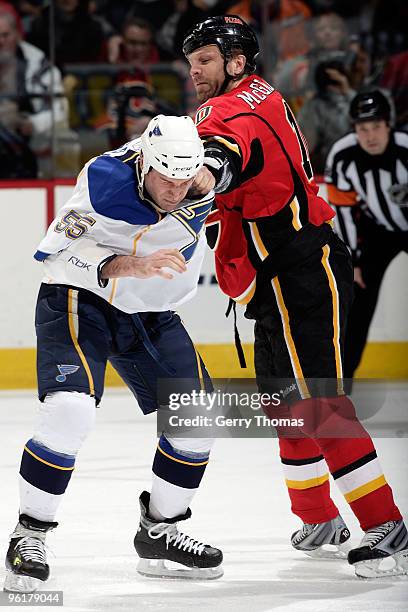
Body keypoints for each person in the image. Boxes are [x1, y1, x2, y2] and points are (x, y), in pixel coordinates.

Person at [182, 15, 408, 578]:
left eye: (205, 60)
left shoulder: (230, 110)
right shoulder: (258, 95)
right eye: (191, 65)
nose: (195, 74)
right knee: (286, 405)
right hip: (279, 275)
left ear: (237, 61)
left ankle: (388, 526)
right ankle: (319, 517)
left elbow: (224, 154)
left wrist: (201, 179)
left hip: (305, 267)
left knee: (319, 402)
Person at [4, 114, 223, 593]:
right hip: (80, 293)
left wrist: (210, 172)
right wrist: (129, 264)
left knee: (198, 416)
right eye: (166, 177)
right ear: (144, 161)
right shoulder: (103, 181)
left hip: (147, 306)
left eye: (184, 178)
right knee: (70, 412)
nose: (174, 189)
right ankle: (29, 534)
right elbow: (56, 253)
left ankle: (159, 531)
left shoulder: (201, 177)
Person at [325, 90, 408, 380]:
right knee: (356, 312)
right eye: (362, 128)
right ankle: (340, 394)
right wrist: (353, 260)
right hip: (377, 233)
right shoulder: (343, 155)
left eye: (376, 127)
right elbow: (343, 212)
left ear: (389, 124)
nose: (370, 135)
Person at [0, 9, 68, 177]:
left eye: (5, 35)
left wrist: (33, 123)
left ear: (17, 35)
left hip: (27, 141)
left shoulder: (38, 64)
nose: (0, 42)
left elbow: (60, 111)